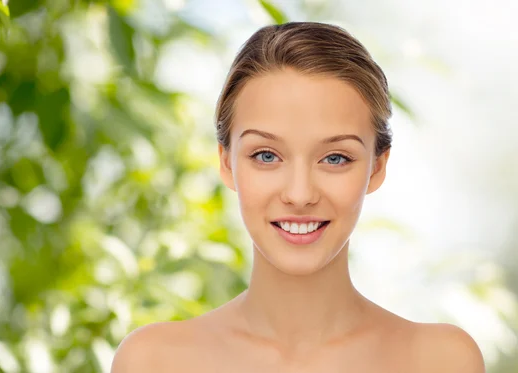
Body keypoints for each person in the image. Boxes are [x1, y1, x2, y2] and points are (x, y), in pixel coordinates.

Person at [111, 22, 485, 372]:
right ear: (226, 163)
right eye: (266, 156)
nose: (300, 194)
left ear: (376, 167)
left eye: (335, 158)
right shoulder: (155, 361)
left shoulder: (440, 360)